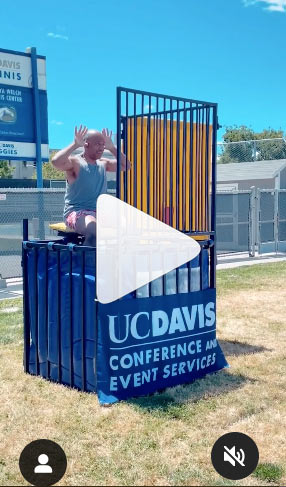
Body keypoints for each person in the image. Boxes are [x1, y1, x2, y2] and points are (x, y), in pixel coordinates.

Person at [52, 125, 130, 246]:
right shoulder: (75, 163)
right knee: (94, 232)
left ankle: (114, 262)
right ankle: (86, 264)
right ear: (86, 144)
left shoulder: (103, 163)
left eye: (103, 144)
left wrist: (112, 147)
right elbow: (56, 162)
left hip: (100, 212)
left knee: (127, 230)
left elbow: (126, 166)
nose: (102, 148)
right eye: (98, 144)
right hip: (77, 212)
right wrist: (75, 144)